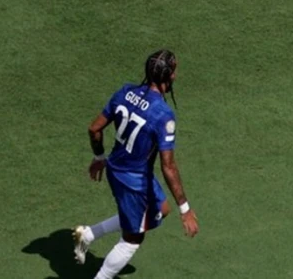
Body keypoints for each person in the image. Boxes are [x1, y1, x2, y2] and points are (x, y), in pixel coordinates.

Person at [72, 49, 199, 278]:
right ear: (167, 76)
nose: (176, 76)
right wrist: (186, 210)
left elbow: (94, 128)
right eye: (175, 71)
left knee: (161, 209)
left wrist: (100, 157)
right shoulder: (162, 114)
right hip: (133, 181)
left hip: (120, 168)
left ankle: (88, 234)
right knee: (132, 239)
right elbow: (168, 166)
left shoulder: (125, 91)